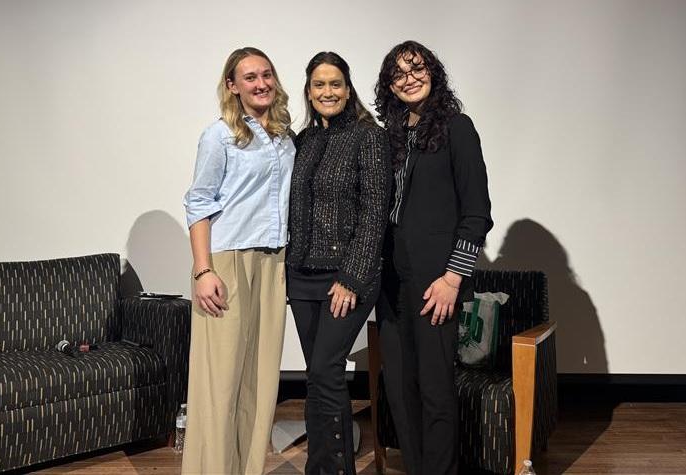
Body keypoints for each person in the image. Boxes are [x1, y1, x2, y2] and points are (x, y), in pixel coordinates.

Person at [373, 40, 493, 475]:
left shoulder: (457, 127)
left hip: (435, 284)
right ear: (390, 84)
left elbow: (478, 213)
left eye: (416, 68)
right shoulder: (388, 134)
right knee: (400, 392)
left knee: (435, 391)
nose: (409, 79)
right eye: (399, 74)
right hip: (389, 283)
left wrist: (452, 278)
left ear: (433, 72)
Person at [181, 47, 295, 475]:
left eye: (267, 74)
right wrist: (203, 269)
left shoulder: (285, 137)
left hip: (273, 262)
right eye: (250, 77)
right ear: (232, 85)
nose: (261, 83)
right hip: (226, 262)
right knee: (220, 381)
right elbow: (198, 203)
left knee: (261, 382)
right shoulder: (219, 135)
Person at [287, 51, 390, 475]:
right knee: (317, 376)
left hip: (346, 277)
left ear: (348, 90)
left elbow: (374, 212)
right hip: (301, 275)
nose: (327, 92)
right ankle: (325, 464)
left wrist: (351, 277)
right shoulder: (303, 141)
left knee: (327, 372)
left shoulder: (369, 137)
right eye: (318, 85)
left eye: (335, 84)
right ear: (309, 92)